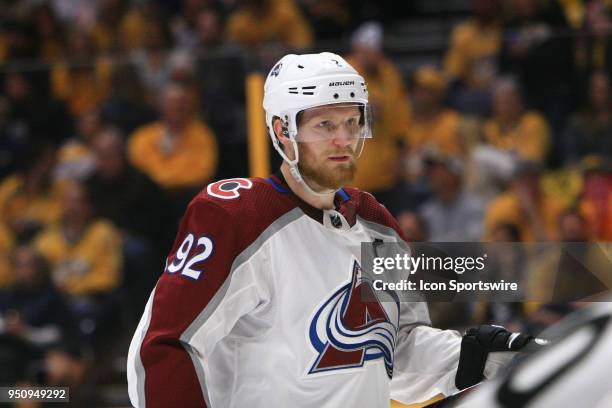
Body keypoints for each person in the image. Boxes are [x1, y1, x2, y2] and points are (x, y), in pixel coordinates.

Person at [127, 52, 538, 407]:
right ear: (282, 131)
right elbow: (162, 348)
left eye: (352, 122)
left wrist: (481, 356)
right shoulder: (236, 217)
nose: (343, 139)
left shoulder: (376, 224)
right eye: (324, 125)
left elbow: (392, 352)